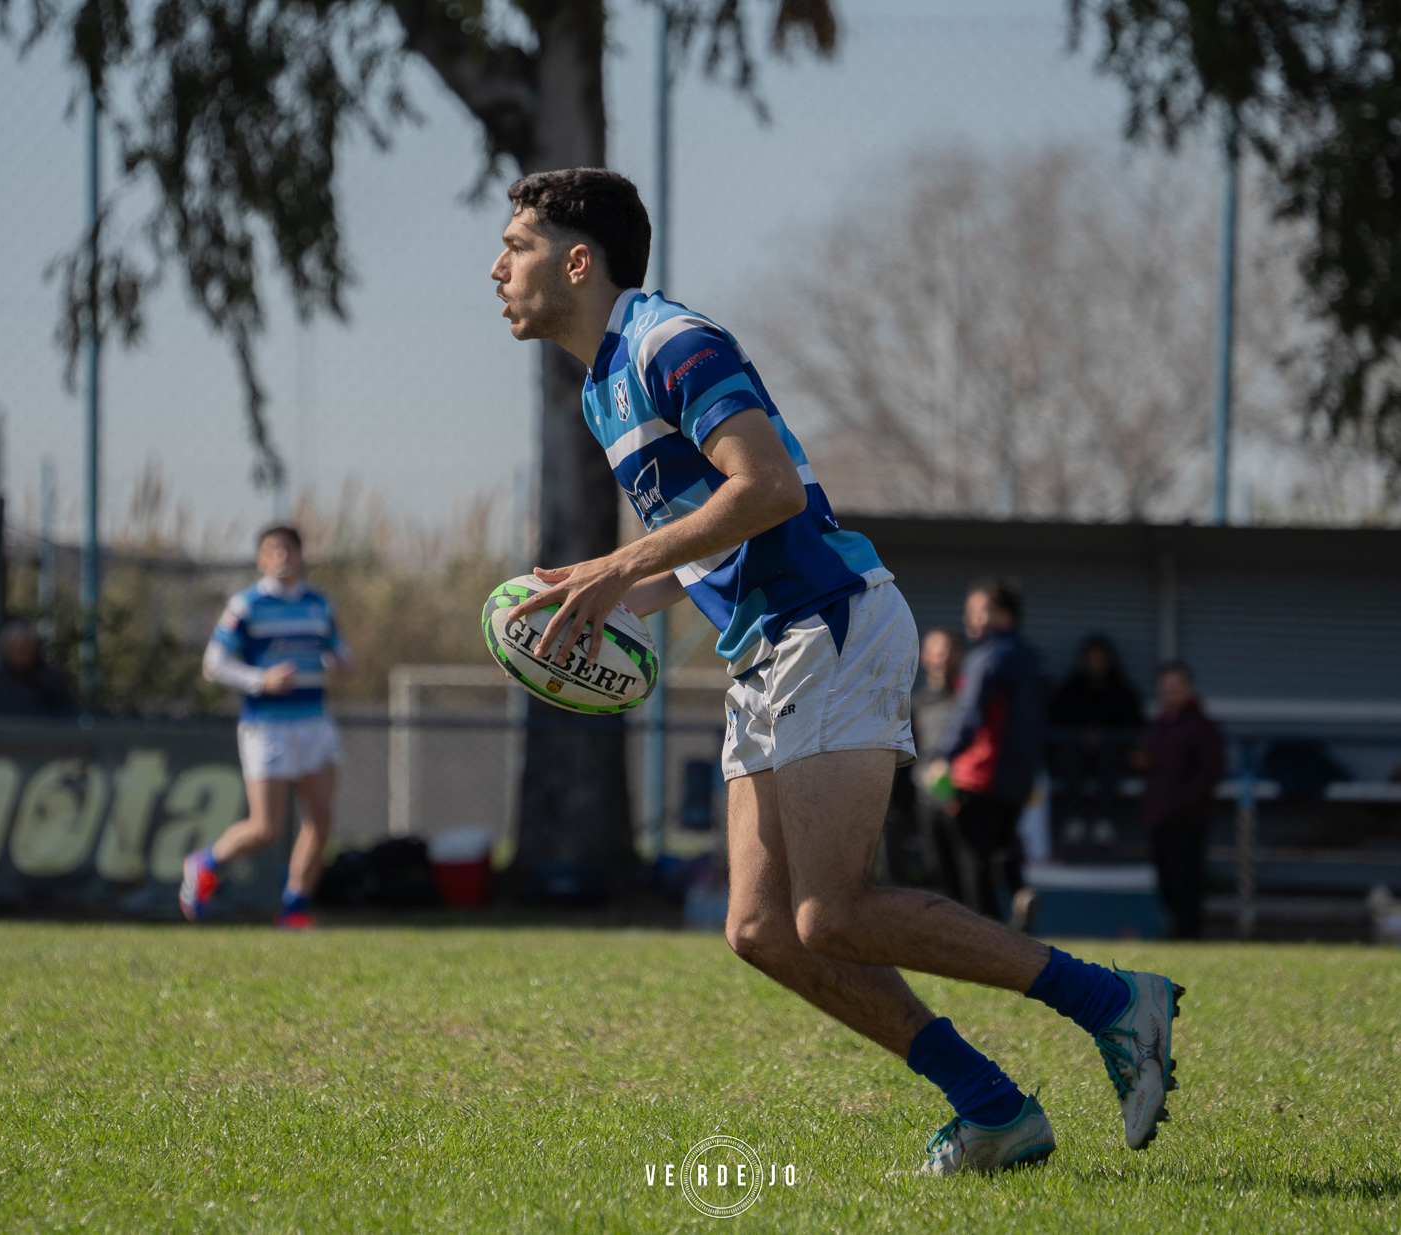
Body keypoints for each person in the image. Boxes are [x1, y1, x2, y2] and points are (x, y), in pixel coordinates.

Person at [490, 167, 1183, 1173]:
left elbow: (768, 488)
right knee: (762, 927)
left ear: (577, 261)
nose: (498, 267)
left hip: (829, 620)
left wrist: (617, 563)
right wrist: (610, 601)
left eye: (516, 245)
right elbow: (709, 536)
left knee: (834, 910)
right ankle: (994, 1108)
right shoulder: (604, 386)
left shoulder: (669, 342)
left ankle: (1112, 1001)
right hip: (767, 645)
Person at [180, 526, 352, 931]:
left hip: (314, 722)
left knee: (320, 819)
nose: (282, 558)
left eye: (289, 549)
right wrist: (261, 680)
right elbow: (214, 664)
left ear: (302, 555)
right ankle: (204, 863)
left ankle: (294, 908)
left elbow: (338, 652)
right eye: (273, 551)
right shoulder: (246, 605)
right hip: (267, 726)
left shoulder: (319, 604)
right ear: (260, 559)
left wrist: (342, 662)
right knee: (265, 828)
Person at [929, 580, 1047, 928]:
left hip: (979, 774)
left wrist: (944, 755)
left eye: (979, 611)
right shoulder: (1032, 657)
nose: (969, 618)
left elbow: (969, 715)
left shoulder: (986, 657)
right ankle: (1019, 897)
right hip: (1020, 777)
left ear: (1004, 615)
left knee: (972, 858)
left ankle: (988, 932)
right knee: (1004, 847)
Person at [1137, 661, 1225, 941]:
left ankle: (1189, 935)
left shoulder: (1201, 726)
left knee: (1186, 879)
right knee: (1166, 879)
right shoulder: (1159, 725)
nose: (1170, 692)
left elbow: (1210, 771)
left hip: (1188, 818)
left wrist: (1181, 804)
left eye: (1175, 686)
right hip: (1160, 816)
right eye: (1165, 687)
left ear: (1188, 688)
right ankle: (1176, 931)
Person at [1049, 633, 1144, 848]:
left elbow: (1132, 725)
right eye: (1091, 658)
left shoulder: (1121, 690)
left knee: (1111, 754)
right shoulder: (1071, 688)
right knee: (1068, 755)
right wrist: (1081, 736)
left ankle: (1104, 820)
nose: (1096, 663)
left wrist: (1103, 737)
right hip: (1075, 755)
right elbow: (1057, 719)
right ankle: (1073, 818)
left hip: (1111, 757)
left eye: (1100, 658)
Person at [911, 629, 962, 890]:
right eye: (936, 650)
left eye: (948, 650)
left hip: (963, 800)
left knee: (969, 876)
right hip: (925, 800)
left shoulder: (967, 701)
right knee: (938, 875)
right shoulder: (916, 702)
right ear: (924, 656)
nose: (942, 656)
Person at [0, 618, 76, 718]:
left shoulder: (53, 681)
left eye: (25, 646)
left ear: (34, 647)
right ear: (6, 649)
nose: (21, 651)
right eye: (16, 647)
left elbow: (68, 718)